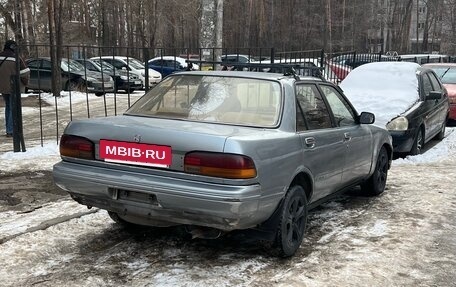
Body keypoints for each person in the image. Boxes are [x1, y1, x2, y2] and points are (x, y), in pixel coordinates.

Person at [0, 40, 30, 137]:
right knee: (13, 107)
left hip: (2, 87)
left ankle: (9, 128)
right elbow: (26, 71)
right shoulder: (16, 58)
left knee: (8, 106)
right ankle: (11, 130)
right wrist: (24, 81)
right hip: (14, 86)